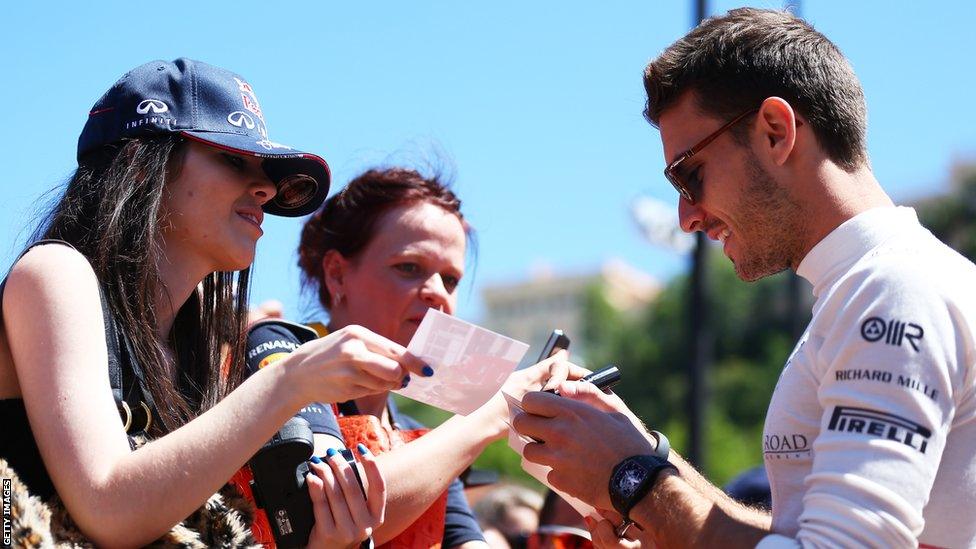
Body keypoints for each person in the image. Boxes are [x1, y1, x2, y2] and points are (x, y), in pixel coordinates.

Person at [511, 8, 976, 548]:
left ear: (776, 132)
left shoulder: (891, 290)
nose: (686, 216)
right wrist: (645, 459)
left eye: (690, 175)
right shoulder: (871, 287)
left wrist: (633, 480)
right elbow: (800, 535)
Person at [0, 58, 432, 547]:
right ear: (143, 166)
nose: (266, 188)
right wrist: (289, 380)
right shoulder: (56, 272)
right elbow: (109, 508)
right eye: (233, 159)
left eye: (267, 171)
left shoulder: (200, 336)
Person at [262, 166, 587, 548]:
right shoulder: (281, 349)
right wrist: (492, 411)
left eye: (450, 280)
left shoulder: (421, 437)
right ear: (336, 275)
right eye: (409, 268)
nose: (437, 293)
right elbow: (321, 512)